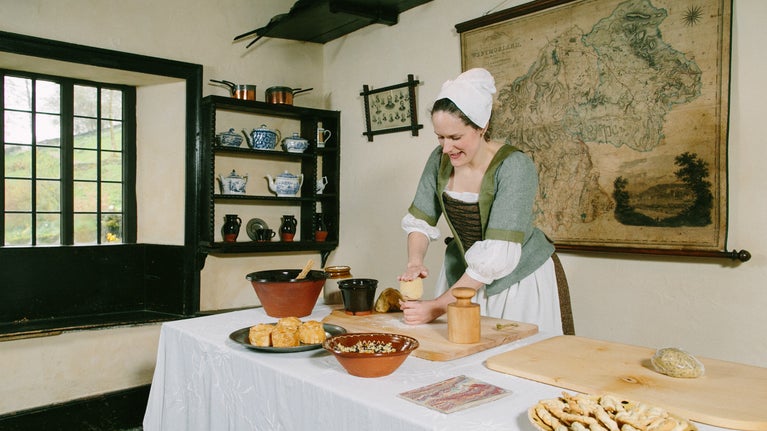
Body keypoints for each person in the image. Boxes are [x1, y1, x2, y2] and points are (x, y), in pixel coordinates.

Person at [397, 68, 563, 335]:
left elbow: (497, 255)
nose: (446, 147)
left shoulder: (515, 167)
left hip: (517, 282)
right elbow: (420, 219)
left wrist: (438, 306)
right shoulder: (440, 159)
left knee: (512, 361)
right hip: (462, 276)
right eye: (440, 137)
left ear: (482, 127)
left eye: (455, 137)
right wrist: (415, 261)